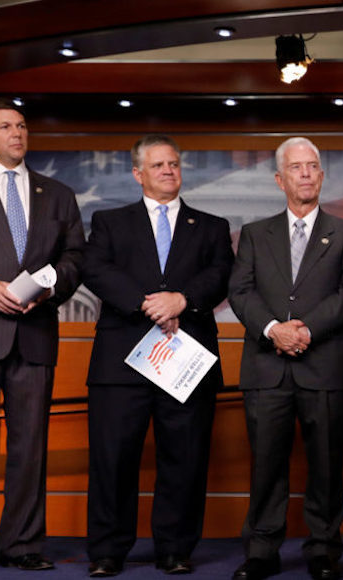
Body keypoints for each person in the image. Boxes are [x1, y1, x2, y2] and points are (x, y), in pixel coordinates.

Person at [82, 134, 233, 577]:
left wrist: (181, 300)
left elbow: (221, 273)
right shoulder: (110, 221)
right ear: (138, 174)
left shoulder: (211, 225)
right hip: (121, 362)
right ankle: (108, 551)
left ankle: (175, 549)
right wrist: (148, 302)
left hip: (186, 360)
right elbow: (95, 268)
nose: (169, 171)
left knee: (184, 459)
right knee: (113, 460)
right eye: (159, 165)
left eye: (174, 164)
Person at [228, 137, 343, 580]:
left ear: (322, 176)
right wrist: (273, 330)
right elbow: (240, 291)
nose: (305, 174)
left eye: (313, 167)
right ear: (279, 179)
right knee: (266, 464)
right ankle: (262, 550)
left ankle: (323, 549)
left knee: (326, 465)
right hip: (267, 370)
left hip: (325, 367)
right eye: (296, 168)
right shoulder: (254, 233)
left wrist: (304, 328)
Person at [0, 96, 84, 573]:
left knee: (29, 448)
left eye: (22, 126)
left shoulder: (57, 193)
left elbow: (76, 258)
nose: (17, 134)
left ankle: (21, 545)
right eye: (5, 127)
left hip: (35, 334)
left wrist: (50, 286)